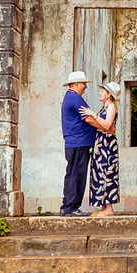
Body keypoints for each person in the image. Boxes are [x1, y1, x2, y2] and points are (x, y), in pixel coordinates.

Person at [81, 81, 121, 217]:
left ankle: (109, 209)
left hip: (107, 143)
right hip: (101, 142)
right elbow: (105, 127)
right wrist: (102, 126)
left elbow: (107, 124)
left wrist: (93, 115)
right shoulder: (105, 108)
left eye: (103, 91)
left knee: (107, 172)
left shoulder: (111, 107)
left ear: (109, 94)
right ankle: (104, 207)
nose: (100, 93)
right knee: (99, 172)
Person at [59, 71, 96, 217]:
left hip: (75, 143)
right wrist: (104, 126)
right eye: (84, 83)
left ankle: (67, 206)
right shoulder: (75, 98)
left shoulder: (70, 97)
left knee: (72, 174)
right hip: (79, 143)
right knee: (78, 175)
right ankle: (72, 207)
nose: (86, 86)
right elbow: (88, 119)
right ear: (76, 84)